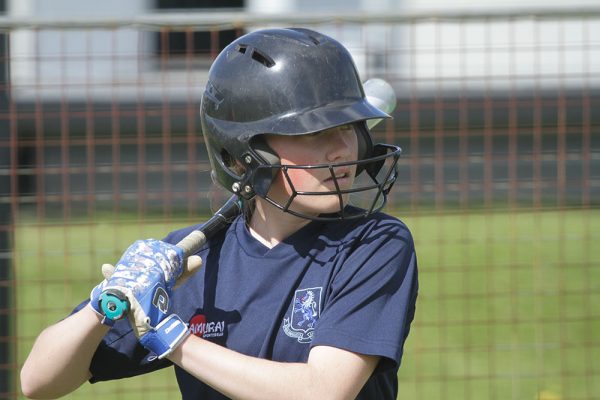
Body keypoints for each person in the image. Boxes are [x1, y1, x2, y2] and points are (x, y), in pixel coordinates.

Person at [20, 27, 418, 400]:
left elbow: (323, 390)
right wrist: (104, 304)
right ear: (241, 156)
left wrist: (173, 341)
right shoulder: (191, 261)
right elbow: (37, 381)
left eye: (349, 127)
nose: (343, 151)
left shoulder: (374, 243)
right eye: (314, 134)